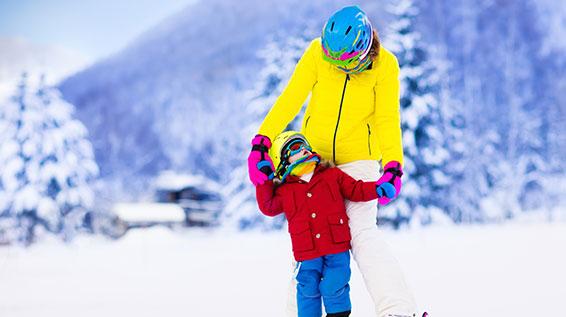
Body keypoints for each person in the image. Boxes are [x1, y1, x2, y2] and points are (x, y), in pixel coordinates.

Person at [248, 5, 421, 317]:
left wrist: (394, 165)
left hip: (359, 160)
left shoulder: (386, 67)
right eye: (330, 57)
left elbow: (386, 120)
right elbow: (290, 98)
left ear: (361, 49)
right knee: (307, 241)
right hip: (313, 162)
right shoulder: (317, 52)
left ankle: (398, 310)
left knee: (362, 234)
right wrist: (262, 140)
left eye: (340, 61)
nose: (333, 64)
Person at [255, 131, 396, 317]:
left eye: (305, 145)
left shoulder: (330, 174)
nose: (304, 149)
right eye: (297, 147)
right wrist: (263, 180)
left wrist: (377, 188)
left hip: (335, 245)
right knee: (307, 289)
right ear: (285, 159)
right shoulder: (285, 189)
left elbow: (356, 189)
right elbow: (268, 206)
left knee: (334, 283)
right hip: (306, 251)